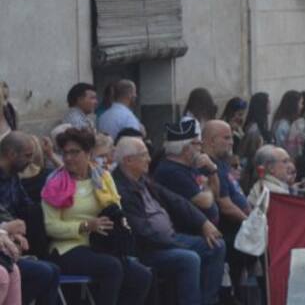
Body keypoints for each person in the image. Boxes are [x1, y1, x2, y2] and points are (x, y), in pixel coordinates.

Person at [42, 128, 152, 305]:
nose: (68, 158)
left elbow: (116, 209)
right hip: (68, 248)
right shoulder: (55, 184)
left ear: (88, 153)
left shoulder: (103, 177)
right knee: (111, 267)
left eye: (74, 152)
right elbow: (50, 226)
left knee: (141, 275)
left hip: (102, 245)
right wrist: (85, 226)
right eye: (65, 153)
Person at [112, 136, 225, 305]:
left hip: (169, 239)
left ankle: (208, 301)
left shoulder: (143, 180)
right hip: (148, 248)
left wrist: (203, 222)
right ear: (128, 160)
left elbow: (175, 201)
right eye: (144, 155)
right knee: (189, 259)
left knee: (216, 245)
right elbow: (141, 231)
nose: (149, 159)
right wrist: (177, 245)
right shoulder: (120, 189)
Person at [0, 132, 60, 305]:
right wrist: (9, 228)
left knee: (53, 270)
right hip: (5, 247)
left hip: (14, 244)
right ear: (11, 154)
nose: (30, 161)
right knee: (43, 272)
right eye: (27, 156)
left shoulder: (12, 176)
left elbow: (25, 205)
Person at [201, 120, 253, 293]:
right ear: (212, 140)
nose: (231, 142)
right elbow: (224, 204)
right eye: (226, 138)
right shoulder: (207, 165)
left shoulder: (222, 162)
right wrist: (250, 222)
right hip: (227, 229)